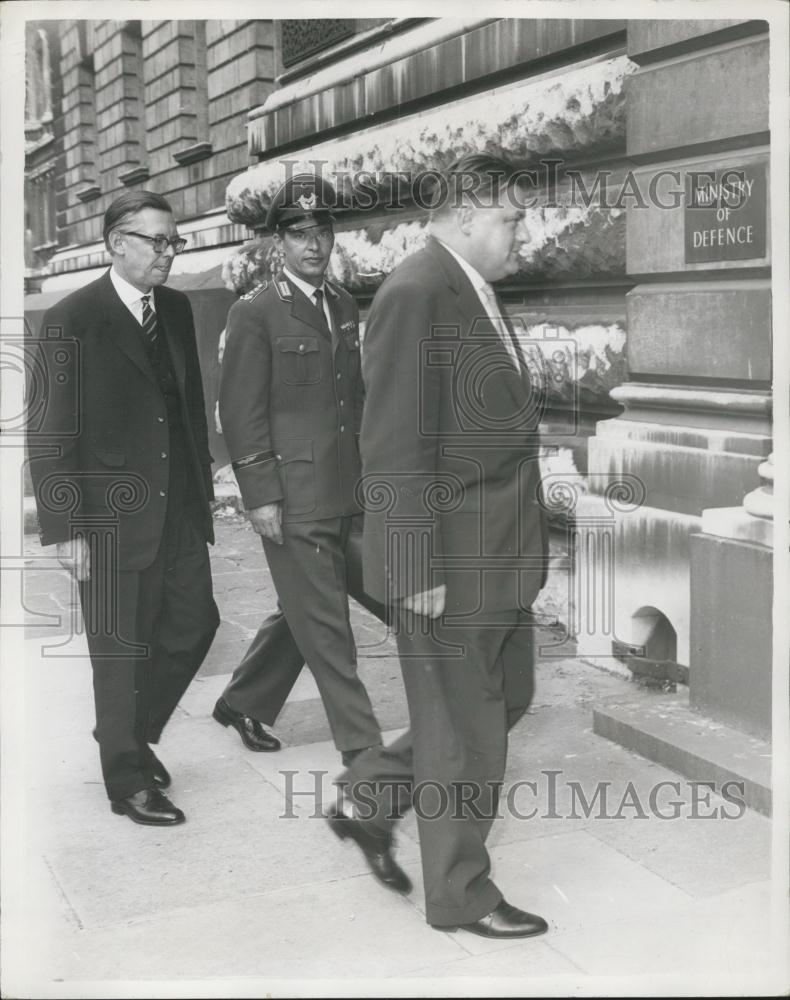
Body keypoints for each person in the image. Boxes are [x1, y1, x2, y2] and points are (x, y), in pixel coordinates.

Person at [326, 154, 551, 936]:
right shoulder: (416, 291)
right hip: (447, 560)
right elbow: (391, 443)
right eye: (511, 218)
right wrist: (415, 565)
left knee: (504, 699)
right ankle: (459, 895)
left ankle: (371, 797)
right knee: (465, 732)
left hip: (495, 553)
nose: (524, 231)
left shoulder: (472, 286)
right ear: (463, 215)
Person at [29, 191, 220, 826]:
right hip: (106, 517)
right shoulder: (71, 318)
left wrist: (204, 493)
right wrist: (66, 529)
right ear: (117, 243)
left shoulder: (178, 307)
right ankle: (128, 782)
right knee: (118, 653)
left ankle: (127, 737)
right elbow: (50, 432)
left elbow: (188, 407)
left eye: (175, 241)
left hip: (179, 508)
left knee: (195, 625)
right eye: (158, 242)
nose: (169, 252)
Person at [216, 173, 383, 767]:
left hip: (347, 488)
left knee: (308, 606)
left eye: (322, 231)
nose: (313, 244)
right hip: (293, 494)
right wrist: (260, 494)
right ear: (277, 245)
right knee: (328, 625)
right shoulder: (256, 312)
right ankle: (363, 749)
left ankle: (242, 699)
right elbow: (240, 412)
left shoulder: (341, 302)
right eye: (298, 234)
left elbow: (353, 401)